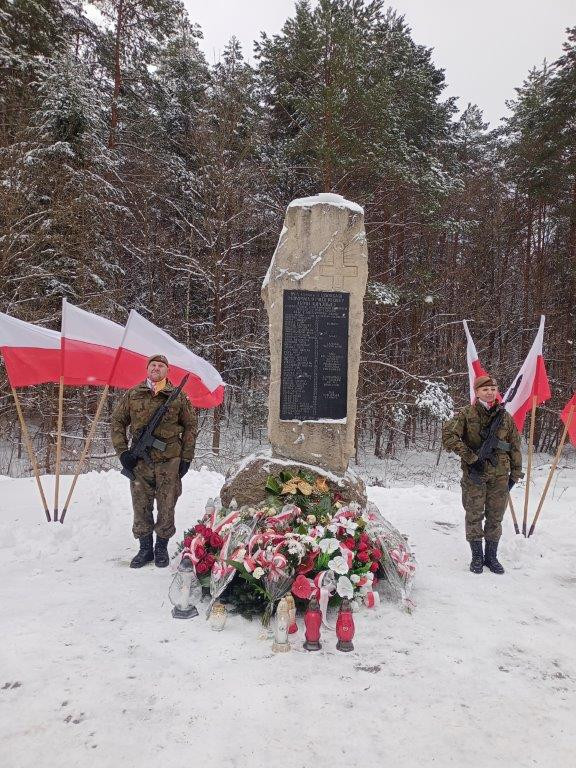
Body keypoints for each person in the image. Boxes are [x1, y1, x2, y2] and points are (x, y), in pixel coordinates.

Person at [111, 354, 197, 568]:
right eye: (153, 365)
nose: (156, 368)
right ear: (147, 369)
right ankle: (145, 549)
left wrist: (186, 457)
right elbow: (117, 422)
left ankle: (161, 548)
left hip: (170, 460)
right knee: (141, 505)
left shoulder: (178, 397)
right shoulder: (133, 394)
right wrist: (123, 453)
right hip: (140, 462)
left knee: (167, 505)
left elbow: (191, 427)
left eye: (161, 366)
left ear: (167, 371)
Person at [442, 374, 523, 575]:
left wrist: (516, 473)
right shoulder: (466, 414)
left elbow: (515, 446)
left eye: (493, 389)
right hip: (474, 474)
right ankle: (477, 556)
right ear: (477, 392)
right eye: (485, 389)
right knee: (474, 515)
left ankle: (491, 557)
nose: (489, 392)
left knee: (495, 517)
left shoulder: (504, 417)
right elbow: (448, 436)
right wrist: (471, 457)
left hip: (500, 475)